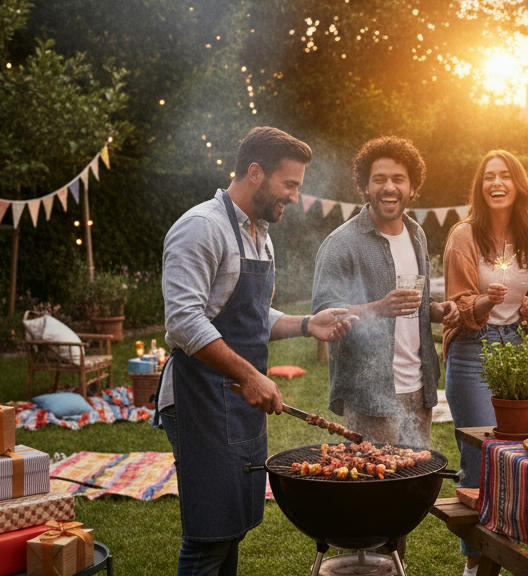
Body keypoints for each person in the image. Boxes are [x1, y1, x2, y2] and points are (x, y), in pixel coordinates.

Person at [156, 126, 351, 576]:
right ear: (256, 173)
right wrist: (248, 376)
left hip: (239, 401)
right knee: (209, 534)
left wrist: (307, 324)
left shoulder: (260, 233)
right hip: (198, 398)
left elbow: (251, 315)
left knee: (234, 526)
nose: (295, 197)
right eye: (290, 185)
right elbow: (184, 322)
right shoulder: (201, 227)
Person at [442, 150, 528, 576]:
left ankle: (503, 546)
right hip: (472, 346)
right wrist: (487, 300)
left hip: (517, 349)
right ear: (480, 186)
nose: (497, 182)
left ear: (518, 185)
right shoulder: (464, 235)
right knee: (480, 455)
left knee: (514, 453)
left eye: (505, 175)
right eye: (489, 176)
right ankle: (475, 562)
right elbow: (457, 302)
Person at [311, 135, 458, 449]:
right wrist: (378, 307)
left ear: (412, 187)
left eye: (398, 179)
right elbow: (321, 316)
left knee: (414, 482)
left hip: (420, 387)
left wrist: (436, 310)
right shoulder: (341, 243)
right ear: (365, 186)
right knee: (374, 488)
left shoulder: (416, 234)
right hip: (370, 392)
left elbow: (414, 304)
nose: (389, 187)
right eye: (379, 179)